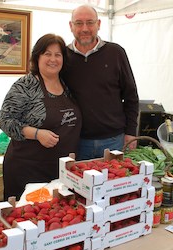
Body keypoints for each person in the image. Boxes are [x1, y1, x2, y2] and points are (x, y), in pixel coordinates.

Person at [0, 33, 82, 200]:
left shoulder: (66, 84)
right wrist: (37, 134)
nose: (53, 59)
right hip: (27, 169)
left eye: (58, 55)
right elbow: (5, 120)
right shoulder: (26, 85)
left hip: (58, 170)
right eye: (47, 54)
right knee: (27, 218)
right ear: (37, 57)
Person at [63, 4, 139, 160]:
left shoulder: (116, 53)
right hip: (76, 142)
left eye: (90, 22)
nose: (85, 28)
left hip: (113, 141)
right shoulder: (62, 57)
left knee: (112, 184)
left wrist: (131, 132)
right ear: (71, 26)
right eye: (79, 23)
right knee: (77, 184)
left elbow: (131, 95)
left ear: (98, 25)